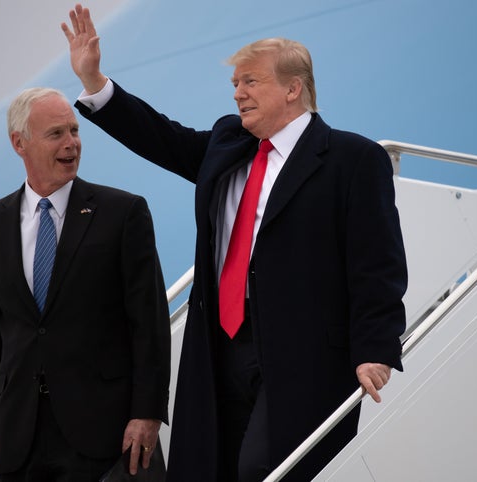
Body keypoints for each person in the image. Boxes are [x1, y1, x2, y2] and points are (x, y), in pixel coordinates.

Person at [62, 5, 408, 481]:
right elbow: (162, 138)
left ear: (293, 88)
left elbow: (377, 262)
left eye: (250, 82)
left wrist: (376, 346)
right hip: (220, 346)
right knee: (214, 469)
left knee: (264, 468)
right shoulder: (229, 145)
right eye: (235, 84)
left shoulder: (351, 158)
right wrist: (97, 81)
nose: (238, 93)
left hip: (303, 352)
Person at [0, 86, 171, 481]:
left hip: (107, 435)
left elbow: (150, 323)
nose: (71, 143)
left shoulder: (122, 213)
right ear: (19, 143)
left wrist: (147, 413)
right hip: (20, 440)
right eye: (56, 133)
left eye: (74, 131)